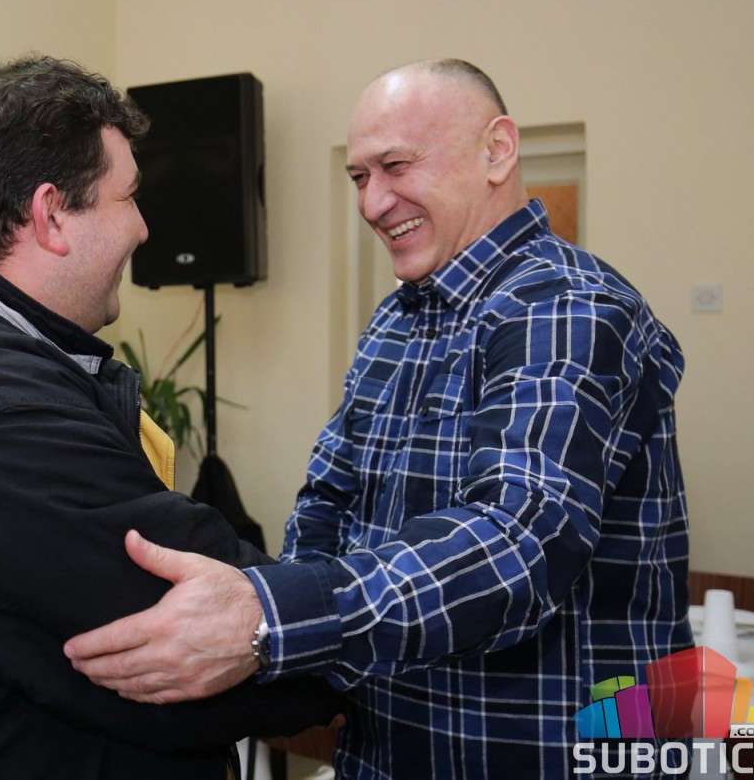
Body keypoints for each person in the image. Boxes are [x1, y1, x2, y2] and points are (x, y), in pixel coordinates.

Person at [64, 59, 692, 779]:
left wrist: (272, 620)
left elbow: (518, 546)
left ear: (497, 151)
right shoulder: (399, 318)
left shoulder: (566, 306)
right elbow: (328, 499)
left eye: (396, 166)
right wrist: (299, 657)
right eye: (359, 177)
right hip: (386, 750)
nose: (372, 202)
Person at [0, 55, 338, 780]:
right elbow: (192, 648)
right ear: (50, 216)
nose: (143, 228)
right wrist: (342, 629)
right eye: (128, 197)